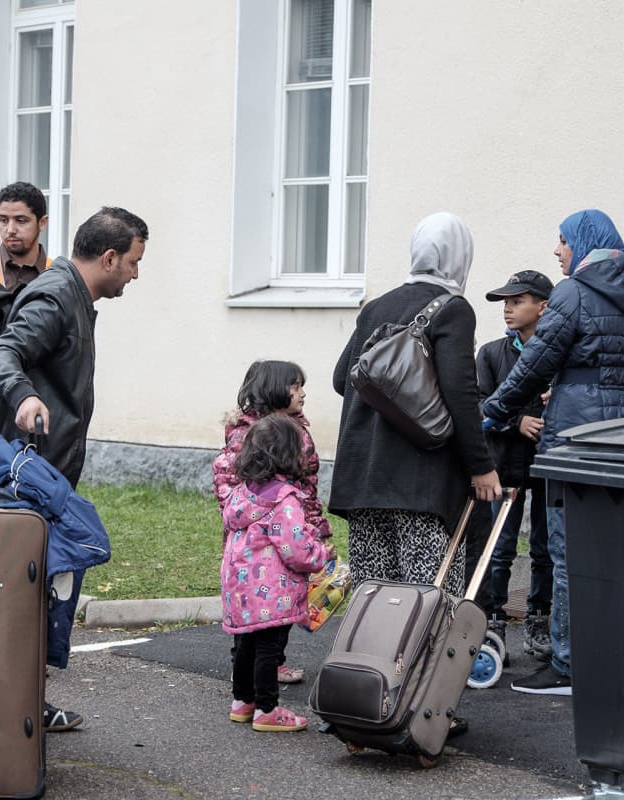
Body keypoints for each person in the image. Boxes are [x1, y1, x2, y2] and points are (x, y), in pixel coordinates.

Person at [0, 205, 148, 733]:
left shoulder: (72, 294)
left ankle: (24, 706)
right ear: (110, 257)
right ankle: (5, 714)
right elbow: (0, 354)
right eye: (135, 263)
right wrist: (25, 397)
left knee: (37, 597)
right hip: (29, 481)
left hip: (46, 477)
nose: (137, 274)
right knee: (25, 599)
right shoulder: (55, 296)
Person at [483, 209, 624, 696]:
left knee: (569, 551)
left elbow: (537, 362)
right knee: (620, 547)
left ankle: (567, 664)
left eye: (562, 241)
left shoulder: (574, 291)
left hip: (580, 433)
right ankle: (617, 655)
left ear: (583, 243)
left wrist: (495, 408)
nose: (557, 251)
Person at [329, 212, 502, 610]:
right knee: (427, 606)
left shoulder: (376, 308)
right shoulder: (453, 309)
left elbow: (343, 379)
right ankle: (420, 676)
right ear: (460, 256)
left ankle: (373, 672)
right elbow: (461, 393)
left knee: (374, 604)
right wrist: (481, 465)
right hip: (421, 487)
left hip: (365, 484)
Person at [212, 360, 331, 686]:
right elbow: (231, 482)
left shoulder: (294, 429)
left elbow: (306, 486)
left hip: (292, 525)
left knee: (281, 601)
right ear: (274, 390)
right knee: (257, 603)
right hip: (260, 536)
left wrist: (314, 525)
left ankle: (271, 664)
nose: (303, 393)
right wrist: (251, 517)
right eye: (296, 387)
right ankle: (248, 670)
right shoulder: (250, 434)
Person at [222, 414, 335, 733]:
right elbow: (297, 549)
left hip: (241, 589)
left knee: (246, 644)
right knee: (269, 649)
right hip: (273, 592)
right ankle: (267, 709)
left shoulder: (242, 494)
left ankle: (242, 702)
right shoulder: (283, 500)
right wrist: (321, 554)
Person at [476, 270, 555, 661]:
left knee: (545, 549)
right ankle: (492, 624)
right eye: (505, 302)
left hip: (546, 469)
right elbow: (478, 406)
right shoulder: (491, 354)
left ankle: (539, 619)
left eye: (517, 301)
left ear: (543, 306)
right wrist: (515, 422)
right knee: (501, 548)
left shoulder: (561, 353)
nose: (508, 309)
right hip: (504, 467)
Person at [0, 182, 52, 289]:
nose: (10, 230)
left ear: (42, 223)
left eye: (21, 221)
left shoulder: (60, 276)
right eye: (4, 220)